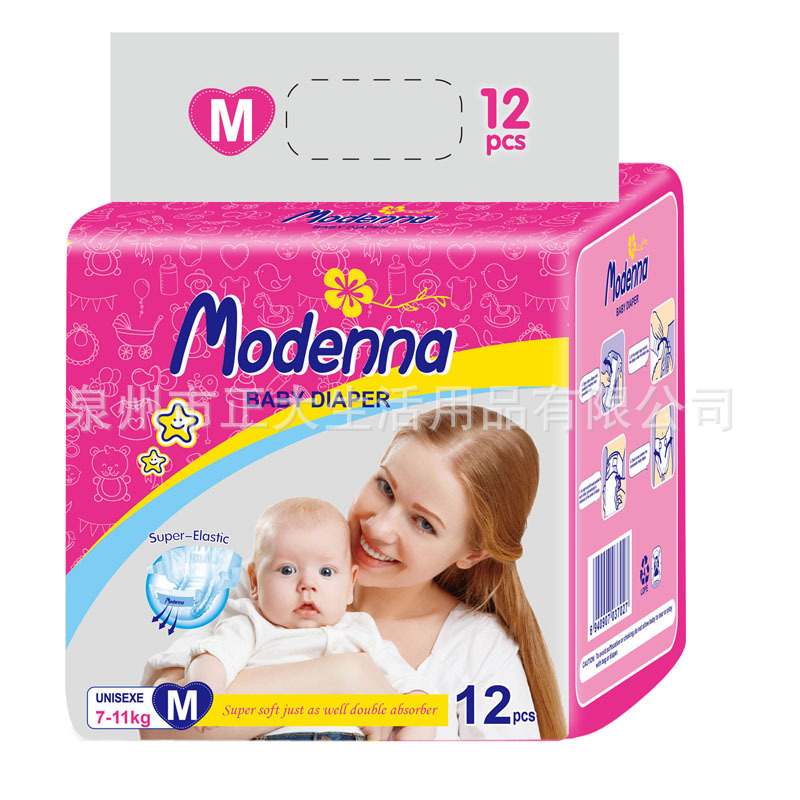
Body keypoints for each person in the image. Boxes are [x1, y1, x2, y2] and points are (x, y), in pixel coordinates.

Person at [143, 405, 567, 740]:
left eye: (423, 523)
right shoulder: (271, 584)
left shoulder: (477, 651)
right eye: (385, 487)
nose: (379, 528)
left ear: (472, 554)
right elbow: (159, 726)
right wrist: (342, 678)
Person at [148, 497, 434, 741]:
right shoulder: (251, 623)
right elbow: (213, 655)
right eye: (287, 570)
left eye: (326, 572)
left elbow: (406, 682)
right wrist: (208, 690)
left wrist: (418, 727)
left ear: (350, 584)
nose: (307, 584)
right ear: (255, 583)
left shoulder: (362, 631)